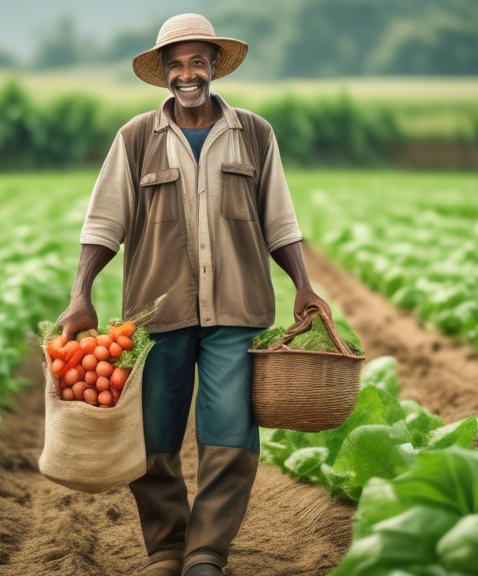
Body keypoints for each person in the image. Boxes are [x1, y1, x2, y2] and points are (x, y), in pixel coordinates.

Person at [56, 13, 332, 576]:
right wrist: (80, 292)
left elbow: (279, 219)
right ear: (163, 73)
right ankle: (165, 549)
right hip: (159, 314)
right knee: (153, 437)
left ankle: (207, 552)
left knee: (229, 435)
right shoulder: (135, 139)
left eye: (198, 63)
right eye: (177, 64)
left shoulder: (254, 133)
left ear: (213, 68)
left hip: (238, 309)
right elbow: (104, 223)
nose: (188, 75)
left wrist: (303, 284)